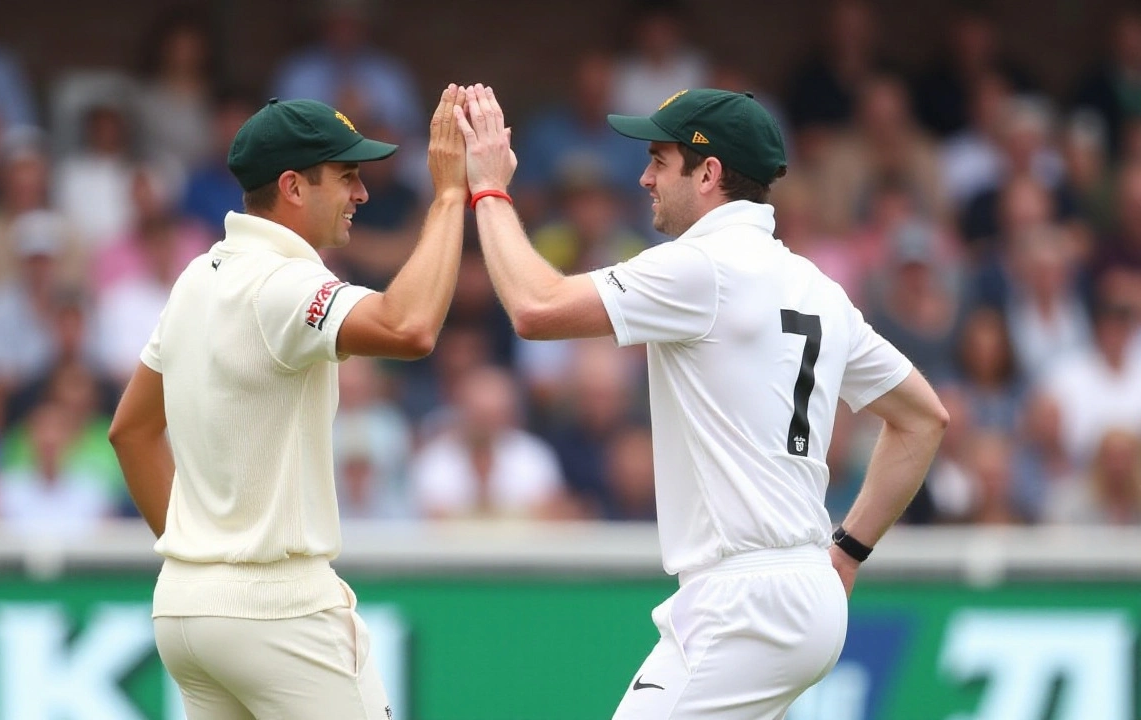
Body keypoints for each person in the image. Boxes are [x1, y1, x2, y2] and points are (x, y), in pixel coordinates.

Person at [452, 84, 949, 719]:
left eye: (659, 161)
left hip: (745, 604)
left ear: (708, 173)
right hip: (799, 592)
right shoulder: (817, 286)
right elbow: (923, 418)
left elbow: (534, 307)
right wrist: (847, 551)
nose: (643, 178)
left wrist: (489, 189)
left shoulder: (703, 267)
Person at [108, 86, 468, 720]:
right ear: (294, 187)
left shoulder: (197, 276)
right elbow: (409, 328)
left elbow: (130, 432)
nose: (361, 194)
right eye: (347, 176)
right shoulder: (283, 283)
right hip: (279, 614)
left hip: (187, 610)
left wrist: (205, 558)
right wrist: (447, 197)